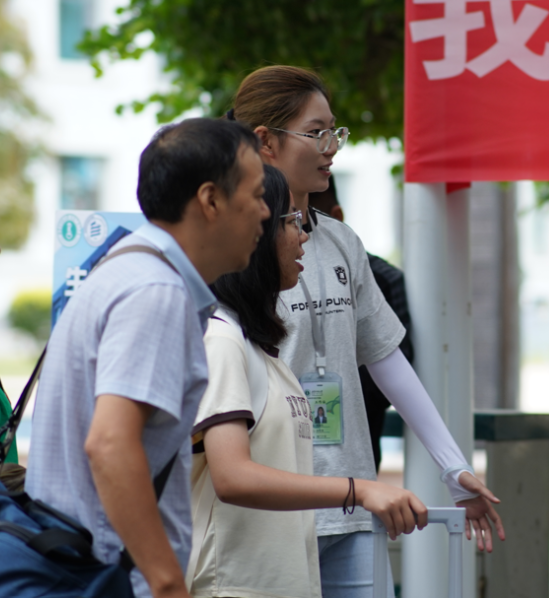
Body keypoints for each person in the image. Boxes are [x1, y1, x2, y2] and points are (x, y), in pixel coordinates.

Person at [226, 65, 505, 598]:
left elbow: (385, 357)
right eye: (316, 133)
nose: (332, 147)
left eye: (335, 131)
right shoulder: (233, 250)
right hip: (272, 509)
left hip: (353, 503)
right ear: (265, 141)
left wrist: (454, 468)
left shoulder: (342, 242)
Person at [24, 118, 270, 598]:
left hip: (76, 569)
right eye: (257, 194)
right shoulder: (157, 291)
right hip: (107, 579)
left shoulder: (127, 268)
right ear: (210, 200)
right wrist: (167, 583)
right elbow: (110, 444)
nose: (265, 211)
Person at [189, 165, 427, 598]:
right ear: (256, 235)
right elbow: (232, 476)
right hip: (235, 584)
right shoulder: (222, 340)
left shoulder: (262, 349)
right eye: (290, 222)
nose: (303, 236)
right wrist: (358, 490)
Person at [309, 177, 414, 472]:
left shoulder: (380, 277)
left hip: (356, 453)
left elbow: (393, 361)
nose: (301, 239)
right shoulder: (260, 272)